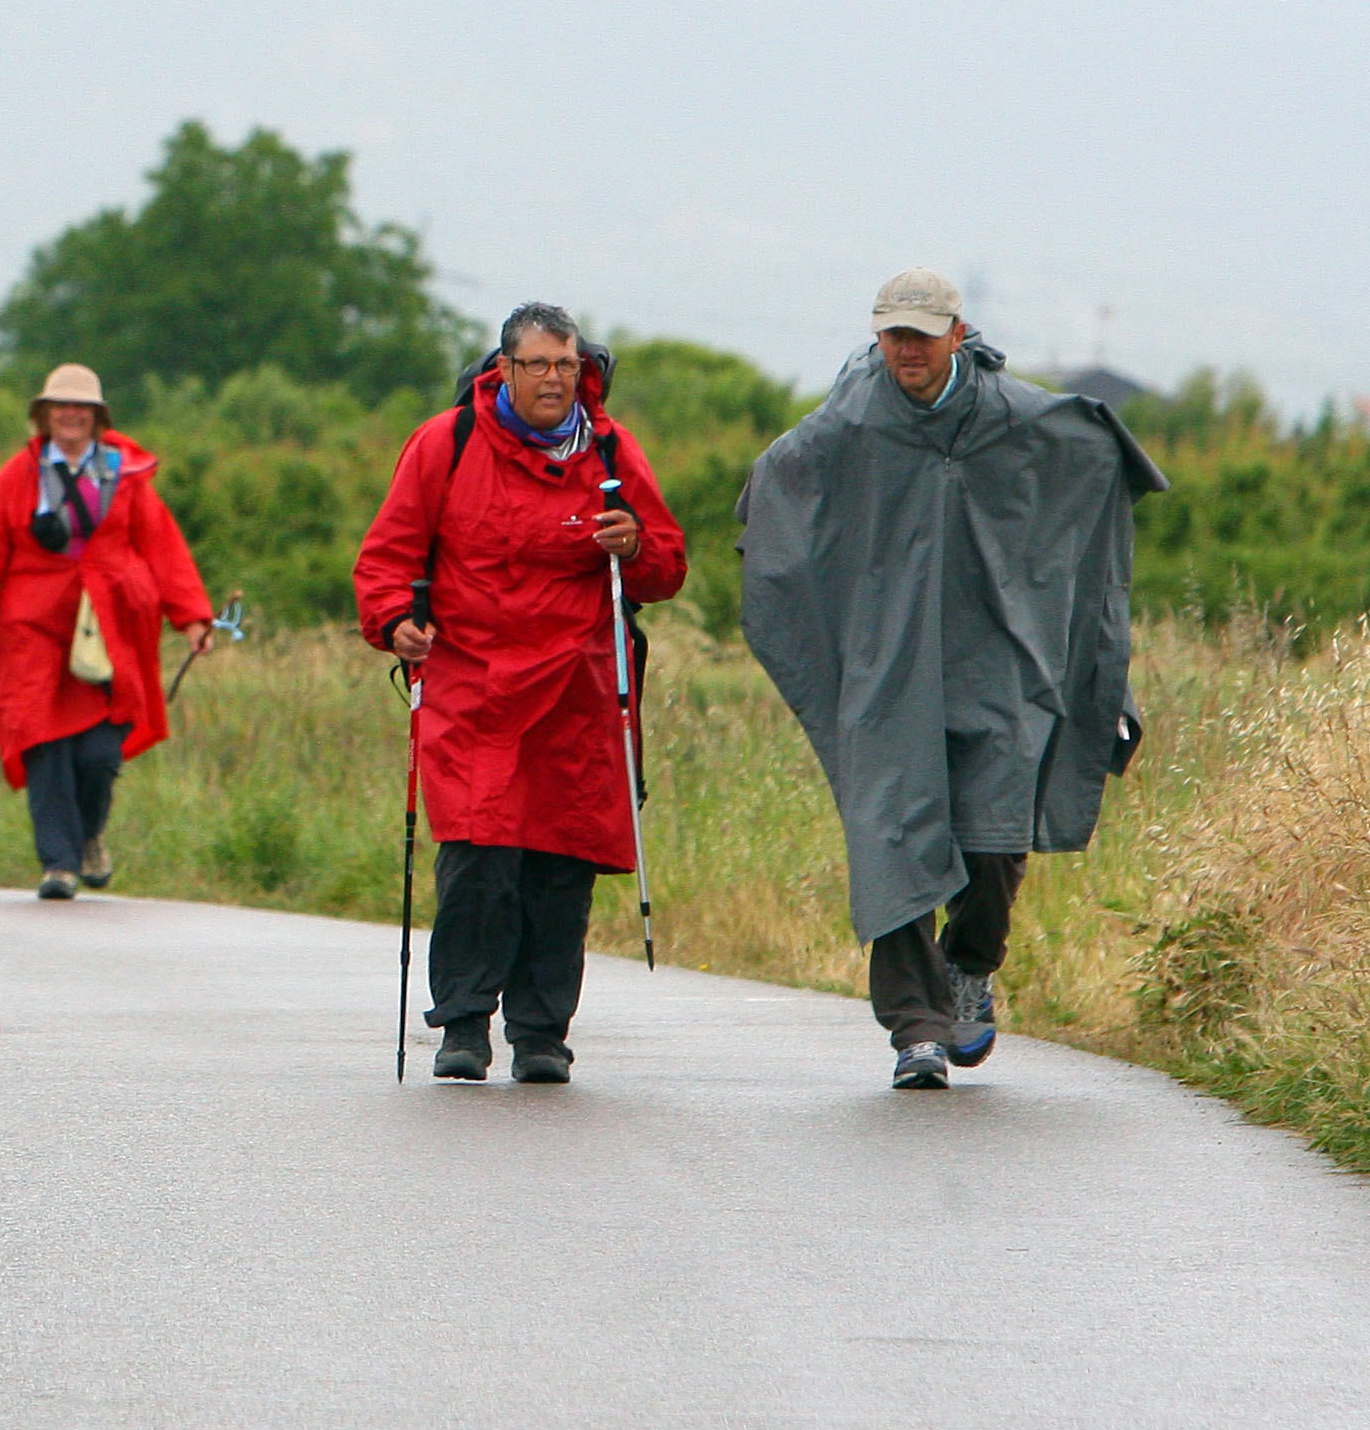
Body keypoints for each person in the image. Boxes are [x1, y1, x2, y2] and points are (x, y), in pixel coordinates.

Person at [740, 268, 1164, 1089]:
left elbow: (1092, 464)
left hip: (1001, 663)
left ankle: (970, 966)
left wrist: (1103, 668)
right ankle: (916, 1030)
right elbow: (778, 495)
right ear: (877, 336)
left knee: (995, 836)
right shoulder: (850, 420)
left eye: (922, 335)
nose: (907, 349)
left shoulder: (1016, 416)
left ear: (957, 335)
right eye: (893, 334)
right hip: (887, 668)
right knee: (891, 833)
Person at [353, 304, 688, 1084]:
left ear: (584, 372)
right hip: (473, 687)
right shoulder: (447, 443)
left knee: (558, 866)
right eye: (536, 365)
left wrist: (633, 544)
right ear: (502, 369)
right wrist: (396, 623)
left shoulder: (608, 451)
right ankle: (463, 1026)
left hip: (576, 693)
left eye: (566, 367)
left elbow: (665, 567)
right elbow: (387, 556)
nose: (552, 380)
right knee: (478, 858)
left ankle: (541, 1034)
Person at [0, 364, 214, 899]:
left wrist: (191, 617)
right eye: (60, 407)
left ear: (97, 418)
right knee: (41, 739)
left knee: (98, 754)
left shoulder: (128, 474)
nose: (70, 416)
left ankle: (90, 833)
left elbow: (163, 547)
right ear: (44, 416)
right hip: (35, 623)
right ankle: (59, 864)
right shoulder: (17, 475)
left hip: (113, 624)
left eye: (82, 408)